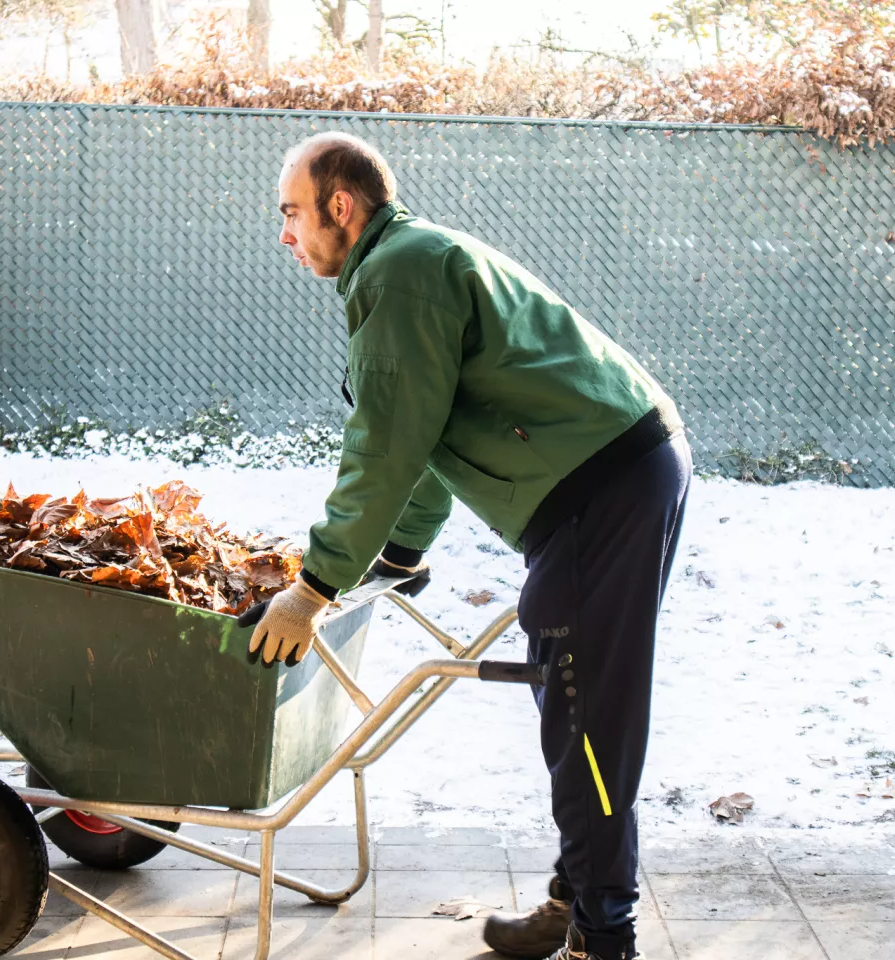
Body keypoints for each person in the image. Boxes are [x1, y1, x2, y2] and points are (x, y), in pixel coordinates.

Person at [246, 131, 692, 960]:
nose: (286, 235)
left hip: (603, 487)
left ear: (341, 207)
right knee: (577, 705)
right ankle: (578, 900)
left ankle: (605, 937)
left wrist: (313, 588)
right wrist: (400, 552)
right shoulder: (407, 264)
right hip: (610, 477)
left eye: (292, 214)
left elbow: (382, 445)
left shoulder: (400, 273)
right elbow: (424, 434)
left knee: (588, 716)